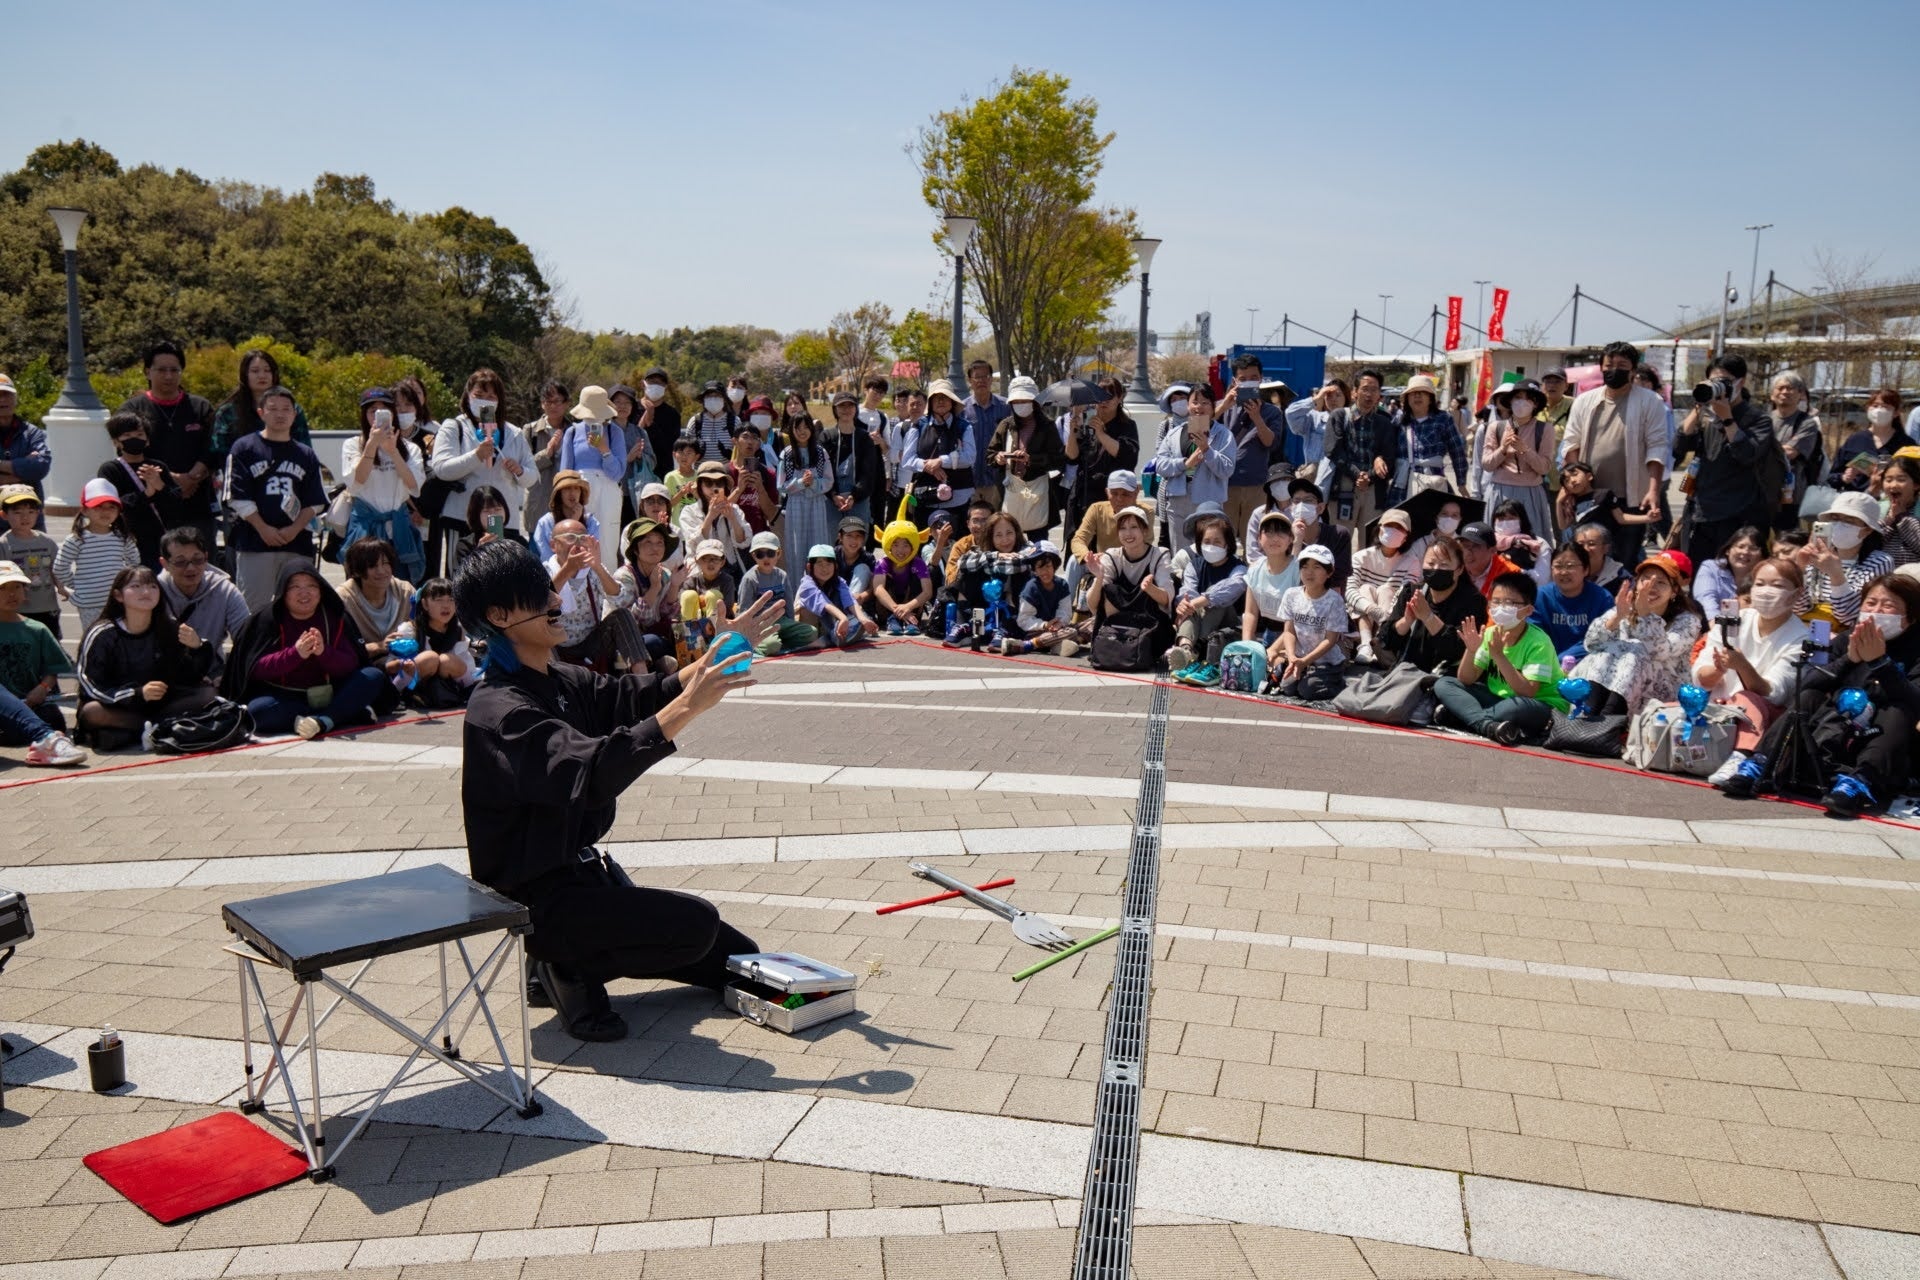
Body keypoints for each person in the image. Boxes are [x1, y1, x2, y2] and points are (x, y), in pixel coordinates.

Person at [455, 538, 778, 1041]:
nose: (556, 601)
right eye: (539, 595)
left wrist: (713, 657)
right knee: (693, 925)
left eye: (549, 589)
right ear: (499, 616)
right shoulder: (500, 711)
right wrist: (689, 706)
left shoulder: (562, 678)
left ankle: (565, 960)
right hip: (538, 900)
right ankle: (563, 964)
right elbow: (593, 772)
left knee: (737, 955)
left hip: (584, 875)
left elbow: (638, 696)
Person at [1722, 574, 1920, 817]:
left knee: (1898, 711)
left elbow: (1915, 699)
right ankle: (1761, 763)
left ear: (1910, 617)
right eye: (1871, 603)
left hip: (1883, 734)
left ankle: (1859, 782)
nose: (1876, 611)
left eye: (1888, 606)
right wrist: (1850, 658)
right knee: (1809, 696)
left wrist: (1880, 662)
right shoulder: (1848, 638)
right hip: (1836, 723)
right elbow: (1809, 682)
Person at [223, 562, 390, 740]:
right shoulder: (268, 619)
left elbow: (351, 663)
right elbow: (256, 669)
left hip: (332, 691)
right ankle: (339, 714)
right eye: (295, 587)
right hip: (287, 697)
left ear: (320, 591)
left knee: (372, 676)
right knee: (258, 712)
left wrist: (324, 652)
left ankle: (322, 720)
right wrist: (295, 654)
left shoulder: (334, 615)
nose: (304, 593)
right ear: (283, 592)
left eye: (311, 586)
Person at [1693, 557, 1812, 783]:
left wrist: (1742, 666)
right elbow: (1701, 676)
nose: (1766, 591)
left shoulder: (1801, 638)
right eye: (1760, 583)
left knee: (1746, 697)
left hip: (1763, 719)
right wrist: (1718, 670)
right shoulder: (1734, 620)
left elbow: (1774, 693)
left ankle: (1742, 756)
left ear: (1797, 594)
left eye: (1777, 585)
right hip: (1720, 712)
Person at [75, 566, 217, 749]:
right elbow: (90, 684)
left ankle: (144, 730)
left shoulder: (169, 627)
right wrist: (137, 693)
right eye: (136, 586)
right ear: (118, 595)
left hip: (160, 706)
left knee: (209, 694)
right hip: (118, 706)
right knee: (92, 712)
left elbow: (189, 676)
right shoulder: (103, 633)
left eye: (152, 586)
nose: (146, 592)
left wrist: (198, 648)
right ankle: (160, 728)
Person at [1560, 342, 1669, 567]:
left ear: (1633, 370)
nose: (1614, 370)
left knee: (1624, 561)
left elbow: (1657, 447)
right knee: (1587, 560)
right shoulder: (1584, 401)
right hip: (1590, 498)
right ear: (1601, 367)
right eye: (1609, 365)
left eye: (1622, 365)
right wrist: (1572, 489)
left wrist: (1653, 490)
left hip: (1631, 498)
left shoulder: (1650, 401)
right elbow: (1570, 445)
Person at [1433, 572, 1570, 744]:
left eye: (1509, 603)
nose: (1500, 608)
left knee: (1514, 708)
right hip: (1498, 699)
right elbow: (1466, 679)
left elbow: (1528, 692)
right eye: (1496, 601)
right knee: (1445, 683)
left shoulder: (1539, 642)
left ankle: (1465, 717)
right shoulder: (1489, 633)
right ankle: (1486, 725)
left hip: (1539, 704)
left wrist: (1499, 656)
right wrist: (1471, 650)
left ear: (1528, 610)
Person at [1567, 551, 1705, 719]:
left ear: (1674, 591)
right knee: (1605, 651)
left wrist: (1646, 616)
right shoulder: (1625, 609)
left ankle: (1609, 719)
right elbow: (1591, 644)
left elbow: (1660, 651)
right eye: (1645, 579)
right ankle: (1587, 714)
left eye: (1661, 582)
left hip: (1661, 694)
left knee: (1636, 650)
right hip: (1612, 689)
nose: (1651, 587)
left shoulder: (1688, 621)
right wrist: (1617, 617)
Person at [226, 385, 327, 613]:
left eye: (286, 409)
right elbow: (236, 496)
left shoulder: (306, 454)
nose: (280, 414)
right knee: (254, 608)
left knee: (299, 608)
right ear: (261, 412)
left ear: (294, 413)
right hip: (254, 542)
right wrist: (263, 529)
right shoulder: (244, 448)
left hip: (297, 543)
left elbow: (316, 501)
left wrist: (294, 528)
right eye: (273, 408)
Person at [428, 369, 535, 576]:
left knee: (503, 577)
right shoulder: (454, 427)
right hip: (462, 518)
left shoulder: (513, 433)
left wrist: (520, 471)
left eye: (491, 397)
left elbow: (532, 478)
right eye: (479, 395)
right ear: (467, 396)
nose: (485, 401)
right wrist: (476, 455)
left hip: (504, 520)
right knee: (461, 578)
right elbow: (441, 468)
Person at [1673, 354, 1778, 562]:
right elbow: (1678, 448)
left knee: (1733, 574)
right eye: (1714, 382)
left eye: (1725, 382)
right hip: (1700, 511)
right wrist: (1699, 406)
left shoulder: (1758, 419)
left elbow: (1747, 454)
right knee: (1698, 574)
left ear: (1741, 382)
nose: (1719, 387)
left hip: (1738, 514)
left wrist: (1727, 418)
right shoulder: (1706, 417)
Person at [116, 341, 217, 549]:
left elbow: (213, 449)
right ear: (147, 372)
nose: (169, 376)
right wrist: (172, 479)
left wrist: (193, 477)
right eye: (161, 370)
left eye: (174, 370)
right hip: (151, 509)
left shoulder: (201, 407)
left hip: (197, 506)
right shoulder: (131, 409)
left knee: (201, 562)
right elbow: (126, 453)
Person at [0, 562, 86, 766]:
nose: (11, 594)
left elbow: (52, 669)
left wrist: (43, 687)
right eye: (2, 588)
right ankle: (44, 737)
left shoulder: (36, 629)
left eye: (16, 587)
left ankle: (45, 738)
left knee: (53, 719)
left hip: (30, 703)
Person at [340, 387, 426, 583]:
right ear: (364, 415)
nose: (377, 416)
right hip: (364, 530)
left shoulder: (410, 448)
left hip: (398, 529)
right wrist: (371, 445)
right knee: (361, 586)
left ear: (393, 414)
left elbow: (414, 486)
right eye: (372, 411)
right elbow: (357, 481)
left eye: (384, 411)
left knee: (400, 587)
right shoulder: (353, 444)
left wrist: (393, 452)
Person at [547, 519, 650, 673]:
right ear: (554, 545)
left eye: (582, 538)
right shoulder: (544, 571)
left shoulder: (592, 569)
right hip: (558, 647)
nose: (578, 544)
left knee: (622, 616)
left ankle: (643, 679)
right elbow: (540, 606)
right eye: (571, 538)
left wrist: (598, 567)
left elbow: (621, 600)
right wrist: (567, 570)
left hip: (592, 643)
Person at [1379, 534, 1485, 674]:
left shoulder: (1473, 601)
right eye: (1431, 563)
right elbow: (1385, 640)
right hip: (1405, 674)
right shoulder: (1411, 592)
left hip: (1444, 677)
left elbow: (1458, 650)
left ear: (1459, 569)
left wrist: (1428, 617)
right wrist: (1406, 621)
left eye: (1444, 565)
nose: (1436, 569)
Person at [1150, 381, 1235, 551]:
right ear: (1188, 405)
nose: (1199, 407)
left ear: (1213, 406)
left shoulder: (1224, 435)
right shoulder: (1174, 433)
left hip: (1208, 502)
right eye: (1195, 402)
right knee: (1180, 553)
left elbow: (1227, 469)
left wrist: (1207, 449)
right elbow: (1160, 465)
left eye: (1205, 402)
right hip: (1178, 501)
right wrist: (1185, 463)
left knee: (1208, 549)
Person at [1167, 506, 1246, 682]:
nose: (1211, 546)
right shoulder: (1194, 565)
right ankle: (1186, 650)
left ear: (1227, 544)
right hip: (1199, 622)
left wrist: (1200, 601)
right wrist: (1184, 604)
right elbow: (1188, 591)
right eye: (1207, 541)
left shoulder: (1238, 567)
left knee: (1215, 602)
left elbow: (1232, 587)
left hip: (1228, 626)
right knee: (1189, 606)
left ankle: (1196, 648)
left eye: (1217, 541)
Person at [1793, 492, 1894, 628]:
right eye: (1835, 518)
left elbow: (1849, 617)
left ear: (1867, 530)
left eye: (1849, 521)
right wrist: (1800, 571)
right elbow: (1798, 608)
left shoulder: (1880, 562)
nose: (1839, 524)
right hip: (1808, 630)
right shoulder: (1817, 557)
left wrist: (1836, 575)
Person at [1320, 368, 1398, 542]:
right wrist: (1357, 474)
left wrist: (1369, 476)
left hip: (1374, 488)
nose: (1369, 394)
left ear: (1379, 394)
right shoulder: (1339, 416)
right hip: (1344, 485)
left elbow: (1389, 456)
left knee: (1370, 541)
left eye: (1374, 389)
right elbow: (1333, 451)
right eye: (1365, 389)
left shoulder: (1385, 422)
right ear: (1354, 392)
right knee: (1340, 539)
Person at [55, 478, 139, 632]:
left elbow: (134, 563)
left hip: (118, 601)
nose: (106, 511)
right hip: (89, 604)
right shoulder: (76, 539)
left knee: (120, 637)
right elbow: (60, 567)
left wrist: (124, 583)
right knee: (94, 638)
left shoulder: (123, 537)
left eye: (111, 507)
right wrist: (76, 586)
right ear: (85, 510)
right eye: (98, 506)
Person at [1087, 506, 1173, 654]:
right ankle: (1112, 643)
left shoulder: (1159, 554)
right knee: (1109, 589)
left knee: (1147, 593)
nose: (1128, 533)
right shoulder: (1112, 555)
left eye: (1134, 527)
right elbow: (1092, 604)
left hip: (1149, 627)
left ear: (1145, 531)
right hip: (1118, 628)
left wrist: (1150, 588)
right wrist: (1099, 578)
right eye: (1123, 528)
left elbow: (1167, 600)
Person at [558, 386, 627, 572]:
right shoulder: (572, 432)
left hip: (608, 490)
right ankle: (581, 584)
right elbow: (565, 473)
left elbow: (617, 473)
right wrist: (566, 498)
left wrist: (604, 449)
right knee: (579, 536)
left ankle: (607, 585)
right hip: (580, 489)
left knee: (608, 541)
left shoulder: (614, 432)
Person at [989, 376, 1067, 538]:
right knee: (1008, 539)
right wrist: (998, 458)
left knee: (1038, 542)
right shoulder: (1006, 425)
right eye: (1016, 402)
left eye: (1025, 400)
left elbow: (1058, 460)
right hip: (1010, 491)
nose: (1021, 405)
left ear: (1034, 402)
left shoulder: (1047, 426)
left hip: (1038, 493)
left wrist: (1031, 459)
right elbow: (990, 454)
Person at [1063, 378, 1137, 543]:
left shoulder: (1127, 426)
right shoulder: (1088, 422)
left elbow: (1127, 456)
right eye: (1100, 396)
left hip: (1111, 496)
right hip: (1083, 494)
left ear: (1120, 398)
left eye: (1110, 396)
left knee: (1107, 545)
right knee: (1079, 543)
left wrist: (1101, 434)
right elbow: (1072, 457)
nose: (1104, 401)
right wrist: (1073, 431)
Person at [1346, 507, 1422, 666]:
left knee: (1386, 590)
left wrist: (1385, 617)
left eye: (1399, 528)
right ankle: (1366, 644)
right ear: (1379, 529)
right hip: (1361, 616)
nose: (1393, 531)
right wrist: (1372, 609)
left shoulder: (1412, 562)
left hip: (1390, 619)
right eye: (1389, 526)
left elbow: (1404, 594)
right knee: (1365, 588)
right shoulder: (1361, 557)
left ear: (1406, 537)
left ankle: (1381, 641)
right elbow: (1349, 590)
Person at [1271, 544, 1348, 700]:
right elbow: (1289, 631)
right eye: (1304, 567)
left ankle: (1338, 683)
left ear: (1329, 572)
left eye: (1317, 567)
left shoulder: (1334, 600)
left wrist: (1305, 661)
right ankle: (1303, 673)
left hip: (1327, 663)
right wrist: (1292, 658)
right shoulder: (1291, 595)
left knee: (1307, 690)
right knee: (1287, 688)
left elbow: (1330, 640)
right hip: (1299, 659)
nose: (1309, 572)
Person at [94, 412, 172, 568]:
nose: (134, 439)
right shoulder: (110, 469)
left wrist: (160, 486)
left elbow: (176, 502)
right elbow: (113, 504)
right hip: (127, 540)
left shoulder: (158, 467)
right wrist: (146, 494)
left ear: (147, 440)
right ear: (116, 442)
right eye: (127, 435)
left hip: (159, 540)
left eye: (139, 434)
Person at [210, 348, 312, 467]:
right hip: (241, 473)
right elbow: (221, 453)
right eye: (255, 371)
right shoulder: (227, 413)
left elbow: (304, 449)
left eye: (267, 371)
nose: (262, 376)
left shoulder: (293, 410)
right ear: (245, 375)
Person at [1480, 380, 1555, 539]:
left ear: (1535, 404)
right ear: (1510, 401)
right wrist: (1502, 450)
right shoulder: (1496, 427)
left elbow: (1544, 468)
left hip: (1530, 493)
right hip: (1500, 491)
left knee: (1530, 541)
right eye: (1518, 397)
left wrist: (1525, 450)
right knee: (1498, 540)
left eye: (1528, 399)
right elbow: (1487, 464)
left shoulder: (1545, 429)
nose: (1522, 402)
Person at [1219, 354, 1285, 534]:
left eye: (1253, 378)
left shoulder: (1272, 412)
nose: (1248, 382)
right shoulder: (1224, 407)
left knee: (1254, 538)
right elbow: (1203, 428)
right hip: (1225, 484)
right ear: (1234, 381)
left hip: (1256, 485)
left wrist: (1256, 417)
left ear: (1261, 379)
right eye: (1243, 379)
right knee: (1225, 537)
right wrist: (1224, 406)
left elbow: (1270, 442)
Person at [387, 577, 477, 709]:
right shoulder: (410, 629)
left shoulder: (458, 630)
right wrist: (403, 664)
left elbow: (466, 665)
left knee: (447, 660)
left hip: (445, 681)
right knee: (430, 658)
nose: (446, 605)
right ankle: (395, 695)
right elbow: (389, 665)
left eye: (451, 599)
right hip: (414, 683)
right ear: (425, 604)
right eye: (438, 600)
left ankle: (469, 693)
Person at [612, 517, 686, 672]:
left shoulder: (664, 574)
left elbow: (669, 616)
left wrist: (674, 586)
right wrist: (654, 588)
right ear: (635, 550)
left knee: (684, 636)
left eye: (660, 542)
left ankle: (661, 666)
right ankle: (656, 667)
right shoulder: (624, 577)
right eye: (648, 542)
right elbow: (633, 620)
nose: (655, 548)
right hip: (626, 642)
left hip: (654, 635)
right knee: (652, 642)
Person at [337, 537, 416, 668]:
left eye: (385, 563)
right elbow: (340, 650)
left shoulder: (405, 591)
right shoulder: (343, 599)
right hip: (363, 667)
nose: (381, 571)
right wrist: (378, 647)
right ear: (357, 571)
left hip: (405, 661)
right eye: (372, 566)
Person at [737, 531, 819, 655]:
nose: (766, 558)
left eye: (770, 553)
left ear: (778, 553)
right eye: (760, 554)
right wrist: (746, 631)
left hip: (782, 621)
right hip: (760, 623)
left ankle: (779, 641)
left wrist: (790, 625)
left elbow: (788, 604)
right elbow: (744, 609)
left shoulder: (782, 575)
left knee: (811, 632)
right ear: (754, 556)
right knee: (771, 645)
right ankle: (754, 644)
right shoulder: (750, 578)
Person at [1389, 375, 1467, 504]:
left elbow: (1457, 451)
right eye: (1413, 393)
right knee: (1400, 516)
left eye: (1422, 392)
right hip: (1402, 486)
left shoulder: (1443, 419)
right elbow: (1388, 449)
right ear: (1407, 399)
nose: (1417, 396)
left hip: (1433, 483)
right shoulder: (1399, 420)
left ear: (1431, 398)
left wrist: (1461, 482)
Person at [909, 380, 977, 529]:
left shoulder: (964, 426)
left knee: (958, 539)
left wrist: (941, 461)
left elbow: (970, 457)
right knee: (925, 540)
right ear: (930, 403)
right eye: (936, 397)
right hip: (925, 497)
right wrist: (929, 467)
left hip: (959, 497)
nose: (941, 401)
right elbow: (908, 460)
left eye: (945, 397)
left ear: (952, 401)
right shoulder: (918, 426)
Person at [777, 410, 834, 589]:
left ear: (812, 428)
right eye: (797, 427)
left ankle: (820, 591)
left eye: (806, 427)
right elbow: (781, 485)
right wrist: (801, 483)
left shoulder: (821, 453)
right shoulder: (787, 454)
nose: (802, 431)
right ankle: (795, 594)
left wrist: (814, 483)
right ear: (791, 430)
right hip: (795, 505)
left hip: (817, 503)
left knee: (818, 548)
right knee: (795, 551)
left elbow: (829, 481)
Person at [1068, 470, 1141, 600]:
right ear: (1107, 492)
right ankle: (1066, 607)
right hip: (1101, 562)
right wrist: (1088, 556)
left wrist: (1109, 556)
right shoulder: (1096, 509)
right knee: (1074, 561)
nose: (1119, 499)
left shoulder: (1145, 512)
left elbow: (1143, 545)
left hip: (1129, 563)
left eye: (1125, 494)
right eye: (1114, 493)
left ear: (1136, 493)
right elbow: (1078, 539)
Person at [1558, 460, 1654, 557]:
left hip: (1604, 547)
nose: (1572, 480)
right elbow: (1563, 525)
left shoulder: (1604, 494)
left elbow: (1621, 518)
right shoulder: (1573, 503)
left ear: (1589, 476)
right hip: (1582, 548)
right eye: (1567, 480)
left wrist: (1648, 518)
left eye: (1575, 474)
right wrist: (1558, 502)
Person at [1535, 540, 1614, 657]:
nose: (1563, 572)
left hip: (1591, 660)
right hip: (1548, 660)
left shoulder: (1602, 598)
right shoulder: (1540, 596)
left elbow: (1606, 637)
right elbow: (1534, 635)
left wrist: (1567, 657)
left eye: (1570, 566)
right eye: (1558, 566)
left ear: (1586, 570)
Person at [1, 484, 61, 635]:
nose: (25, 517)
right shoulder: (3, 544)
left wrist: (62, 587)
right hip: (18, 609)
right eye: (17, 512)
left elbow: (56, 569)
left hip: (48, 606)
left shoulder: (47, 542)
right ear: (4, 515)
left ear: (38, 513)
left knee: (49, 641)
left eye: (31, 512)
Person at [1767, 372, 1823, 531]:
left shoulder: (1807, 423)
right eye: (1780, 388)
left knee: (1787, 539)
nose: (1785, 392)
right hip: (1763, 493)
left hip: (1791, 496)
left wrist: (1765, 449)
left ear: (1800, 394)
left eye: (1790, 388)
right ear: (1772, 395)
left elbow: (1789, 453)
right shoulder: (1763, 420)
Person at [1241, 512, 1299, 662]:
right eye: (1269, 532)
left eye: (1281, 532)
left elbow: (1298, 621)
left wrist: (1273, 650)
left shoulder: (1298, 570)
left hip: (1295, 637)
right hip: (1268, 634)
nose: (1275, 538)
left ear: (1291, 539)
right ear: (1259, 538)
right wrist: (1247, 645)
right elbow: (1250, 613)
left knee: (1274, 667)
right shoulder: (1255, 569)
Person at [795, 542, 875, 648]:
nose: (824, 569)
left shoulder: (839, 581)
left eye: (828, 564)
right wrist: (843, 618)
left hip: (830, 623)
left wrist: (863, 619)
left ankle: (837, 636)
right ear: (810, 567)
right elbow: (824, 603)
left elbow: (850, 600)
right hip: (811, 627)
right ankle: (835, 637)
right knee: (809, 610)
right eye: (820, 564)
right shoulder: (807, 584)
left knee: (859, 613)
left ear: (835, 566)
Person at [675, 461, 752, 571]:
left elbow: (743, 543)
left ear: (724, 486)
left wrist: (733, 519)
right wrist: (710, 516)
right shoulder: (689, 511)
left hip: (730, 568)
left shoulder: (734, 509)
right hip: (699, 570)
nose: (714, 488)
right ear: (700, 485)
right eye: (708, 483)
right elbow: (694, 544)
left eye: (719, 483)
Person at [1279, 477, 1352, 592]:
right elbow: (1287, 581)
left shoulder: (1338, 534)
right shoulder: (1284, 538)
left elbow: (1337, 582)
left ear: (1320, 508)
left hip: (1329, 598)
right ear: (1291, 508)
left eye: (1308, 500)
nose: (1301, 506)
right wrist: (1297, 542)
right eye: (1297, 501)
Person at [1829, 390, 1913, 488]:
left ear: (1896, 412)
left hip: (1890, 496)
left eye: (1885, 406)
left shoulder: (1906, 444)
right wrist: (1844, 478)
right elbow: (1832, 476)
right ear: (1868, 409)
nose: (1879, 410)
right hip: (1855, 495)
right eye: (1875, 405)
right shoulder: (1855, 440)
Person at [1007, 541, 1076, 656]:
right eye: (1040, 567)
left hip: (1057, 629)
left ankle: (1055, 646)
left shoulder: (1062, 585)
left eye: (1048, 566)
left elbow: (1065, 611)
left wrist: (1059, 623)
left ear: (1054, 566)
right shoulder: (1031, 588)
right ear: (1034, 569)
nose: (1044, 572)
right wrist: (1044, 625)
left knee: (1091, 623)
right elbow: (1023, 620)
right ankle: (1028, 645)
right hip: (1036, 632)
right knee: (1072, 632)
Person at [520, 379, 571, 535]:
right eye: (548, 401)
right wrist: (547, 453)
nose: (553, 406)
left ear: (567, 403)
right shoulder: (530, 430)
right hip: (538, 504)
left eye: (557, 401)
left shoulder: (574, 431)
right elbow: (523, 466)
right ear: (542, 404)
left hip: (567, 504)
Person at [822, 390, 879, 525]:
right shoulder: (826, 437)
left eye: (850, 405)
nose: (846, 409)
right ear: (835, 409)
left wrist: (855, 496)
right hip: (831, 500)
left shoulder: (864, 438)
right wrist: (833, 494)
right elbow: (821, 469)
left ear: (856, 409)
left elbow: (869, 472)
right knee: (830, 537)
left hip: (859, 500)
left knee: (857, 536)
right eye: (842, 406)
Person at [871, 515, 934, 635]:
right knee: (884, 581)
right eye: (895, 545)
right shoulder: (883, 562)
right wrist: (898, 610)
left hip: (911, 607)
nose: (900, 550)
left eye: (906, 545)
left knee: (917, 580)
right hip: (888, 607)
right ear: (889, 545)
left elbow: (927, 592)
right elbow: (878, 589)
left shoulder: (918, 563)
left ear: (912, 546)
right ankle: (892, 618)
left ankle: (912, 621)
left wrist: (908, 607)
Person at [0, 372, 52, 516]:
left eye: (7, 394)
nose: (2, 399)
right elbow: (32, 470)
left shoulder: (32, 433)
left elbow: (41, 467)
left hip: (29, 518)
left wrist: (3, 469)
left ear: (15, 399)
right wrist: (22, 473)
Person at [962, 359, 1012, 508]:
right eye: (977, 377)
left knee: (996, 518)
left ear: (991, 379)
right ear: (970, 380)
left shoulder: (1005, 407)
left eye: (985, 376)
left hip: (998, 479)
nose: (981, 381)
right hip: (969, 480)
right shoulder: (961, 409)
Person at [727, 412, 779, 537]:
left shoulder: (768, 474)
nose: (750, 442)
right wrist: (739, 490)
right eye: (745, 437)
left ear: (759, 444)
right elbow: (717, 511)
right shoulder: (724, 473)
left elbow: (772, 516)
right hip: (730, 537)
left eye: (755, 438)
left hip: (759, 537)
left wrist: (760, 489)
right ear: (734, 441)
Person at [1691, 526, 1767, 612]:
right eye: (1741, 546)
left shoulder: (1767, 577)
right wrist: (1715, 620)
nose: (1745, 552)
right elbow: (1706, 599)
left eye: (1753, 548)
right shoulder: (1711, 568)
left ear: (1762, 556)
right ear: (1728, 550)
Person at [531, 471, 601, 563]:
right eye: (567, 488)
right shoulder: (546, 523)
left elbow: (591, 556)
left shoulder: (591, 522)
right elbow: (548, 559)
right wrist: (573, 522)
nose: (572, 493)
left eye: (576, 488)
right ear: (559, 493)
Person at [453, 485, 527, 571]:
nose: (493, 515)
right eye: (486, 511)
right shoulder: (465, 545)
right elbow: (463, 576)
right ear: (476, 514)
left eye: (498, 509)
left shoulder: (518, 541)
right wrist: (480, 553)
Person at [634, 368, 683, 480]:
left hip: (662, 472)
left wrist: (651, 424)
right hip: (635, 470)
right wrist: (647, 414)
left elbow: (670, 446)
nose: (656, 385)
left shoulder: (672, 414)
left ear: (665, 387)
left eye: (660, 383)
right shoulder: (632, 408)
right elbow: (632, 438)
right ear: (643, 384)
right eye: (652, 382)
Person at [1489, 498, 1551, 582]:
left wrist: (1508, 569)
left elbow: (1542, 579)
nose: (1506, 522)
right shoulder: (1488, 543)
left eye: (1511, 518)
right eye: (1501, 519)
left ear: (1522, 520)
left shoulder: (1538, 543)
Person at [1457, 521, 1520, 600]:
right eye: (1464, 546)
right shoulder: (1453, 569)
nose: (1467, 553)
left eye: (1475, 546)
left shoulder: (1510, 574)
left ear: (1493, 550)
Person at [1880, 455, 1920, 568]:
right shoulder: (1879, 508)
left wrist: (1902, 517)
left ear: (1916, 485)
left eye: (1901, 480)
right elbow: (1870, 544)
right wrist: (1889, 520)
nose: (1893, 485)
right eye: (1888, 480)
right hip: (1882, 574)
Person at [1570, 520, 1631, 594]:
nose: (1585, 549)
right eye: (1580, 544)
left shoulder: (1620, 577)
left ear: (1606, 548)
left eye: (1591, 544)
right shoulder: (1565, 573)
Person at [690, 379, 743, 462]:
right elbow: (687, 450)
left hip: (727, 470)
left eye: (717, 396)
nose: (713, 399)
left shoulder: (735, 421)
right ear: (703, 400)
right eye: (709, 396)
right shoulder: (695, 421)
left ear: (724, 399)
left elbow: (741, 450)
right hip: (700, 469)